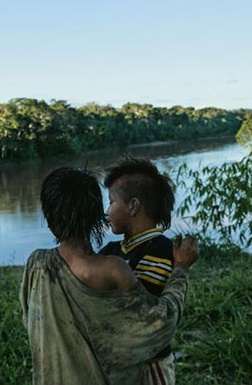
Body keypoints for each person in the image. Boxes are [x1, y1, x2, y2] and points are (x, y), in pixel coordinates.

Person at [20, 167, 199, 385]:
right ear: (96, 216)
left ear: (49, 219)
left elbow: (30, 320)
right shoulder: (114, 266)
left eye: (111, 203)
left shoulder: (36, 263)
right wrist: (181, 270)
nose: (108, 211)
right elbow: (157, 323)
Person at [99, 157, 178, 385]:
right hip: (119, 361)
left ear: (133, 206)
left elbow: (141, 307)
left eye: (111, 202)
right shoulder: (112, 249)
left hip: (149, 366)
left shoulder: (160, 248)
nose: (106, 212)